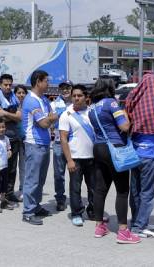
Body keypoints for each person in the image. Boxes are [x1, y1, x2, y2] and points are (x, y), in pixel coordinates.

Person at [88, 79, 140, 244]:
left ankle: (99, 227)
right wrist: (127, 117)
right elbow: (124, 126)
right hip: (114, 148)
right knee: (122, 190)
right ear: (109, 89)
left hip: (98, 148)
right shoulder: (111, 103)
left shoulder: (92, 108)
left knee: (100, 189)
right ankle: (123, 232)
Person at [126, 74, 154, 238]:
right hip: (151, 154)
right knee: (148, 192)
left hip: (135, 154)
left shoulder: (136, 100)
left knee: (136, 190)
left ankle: (137, 221)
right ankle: (140, 226)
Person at [21, 70, 58, 225]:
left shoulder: (43, 99)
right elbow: (44, 123)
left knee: (40, 179)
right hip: (33, 144)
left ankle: (36, 206)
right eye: (46, 81)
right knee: (32, 180)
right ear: (38, 82)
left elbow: (52, 118)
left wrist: (49, 118)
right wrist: (50, 118)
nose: (48, 84)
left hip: (44, 144)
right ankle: (28, 212)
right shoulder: (31, 100)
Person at [59, 84, 95, 226]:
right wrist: (69, 160)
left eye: (79, 96)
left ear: (86, 97)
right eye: (74, 96)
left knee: (93, 187)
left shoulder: (92, 112)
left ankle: (92, 211)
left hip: (92, 157)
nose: (76, 98)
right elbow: (63, 138)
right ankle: (76, 213)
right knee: (75, 187)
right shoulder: (66, 114)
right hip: (75, 158)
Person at [0, 74, 21, 203]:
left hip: (14, 139)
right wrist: (13, 116)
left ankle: (8, 193)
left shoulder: (15, 97)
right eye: (5, 85)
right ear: (0, 85)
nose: (8, 87)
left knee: (12, 169)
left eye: (10, 85)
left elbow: (20, 117)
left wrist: (6, 113)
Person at [50, 81, 72, 211]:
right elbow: (50, 121)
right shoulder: (53, 104)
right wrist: (61, 113)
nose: (65, 90)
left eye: (68, 88)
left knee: (76, 173)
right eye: (63, 88)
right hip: (58, 142)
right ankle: (60, 199)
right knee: (59, 174)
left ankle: (76, 198)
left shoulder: (76, 103)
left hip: (74, 142)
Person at [14, 84, 28, 201]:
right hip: (13, 139)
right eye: (19, 93)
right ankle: (9, 191)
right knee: (11, 167)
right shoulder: (11, 105)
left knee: (23, 166)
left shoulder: (28, 106)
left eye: (23, 93)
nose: (21, 95)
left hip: (24, 139)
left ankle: (23, 189)